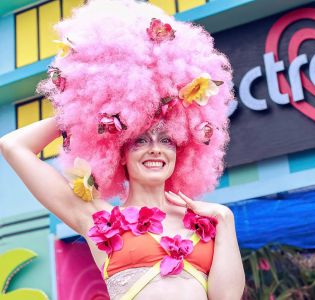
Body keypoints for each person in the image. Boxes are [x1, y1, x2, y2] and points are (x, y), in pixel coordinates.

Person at [0, 0, 245, 299]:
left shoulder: (207, 222)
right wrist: (87, 108)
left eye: (166, 140)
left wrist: (225, 219)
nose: (155, 149)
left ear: (181, 150)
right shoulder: (95, 218)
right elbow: (13, 146)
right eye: (139, 140)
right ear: (119, 153)